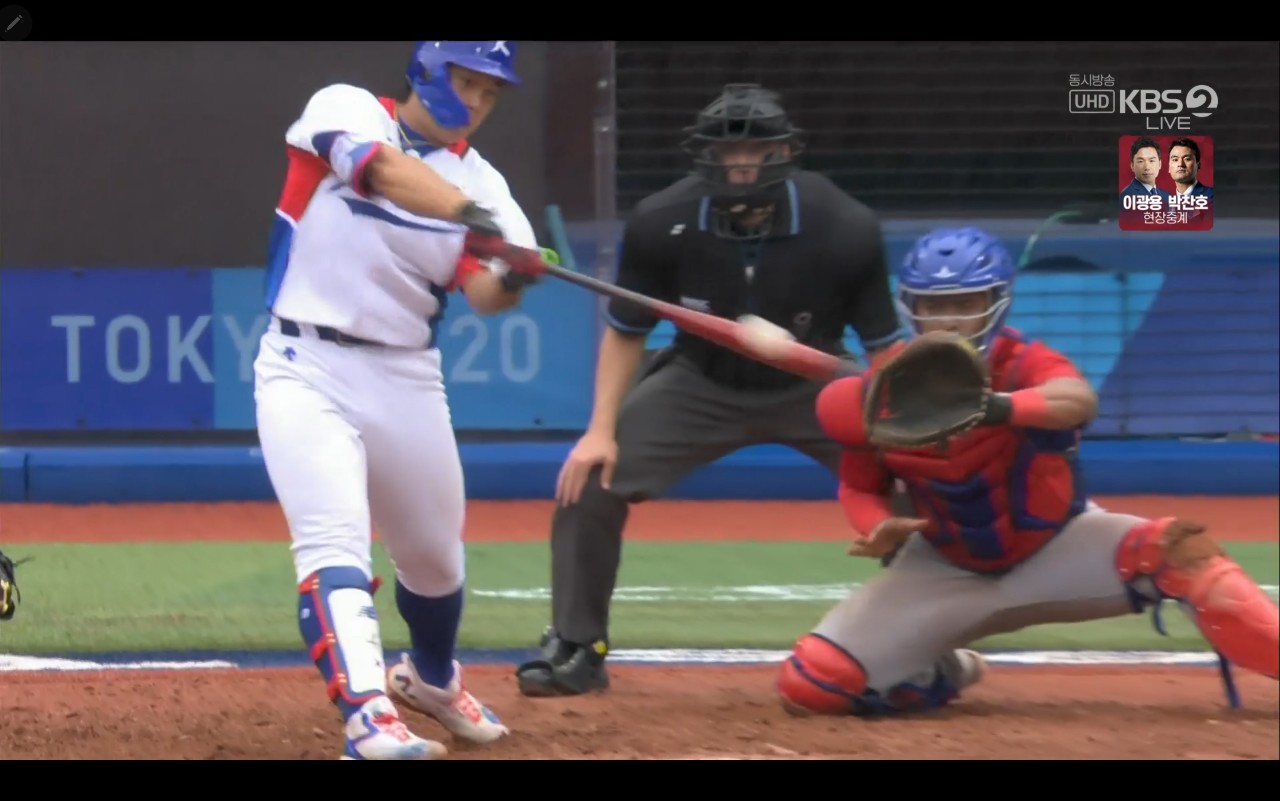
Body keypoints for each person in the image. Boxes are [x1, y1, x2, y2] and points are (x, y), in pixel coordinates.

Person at [514, 82, 918, 698]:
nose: (742, 164)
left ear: (787, 152)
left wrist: (908, 436)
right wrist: (599, 431)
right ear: (704, 155)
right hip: (700, 379)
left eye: (756, 150)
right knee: (590, 480)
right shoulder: (660, 221)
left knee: (916, 480)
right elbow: (626, 333)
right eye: (729, 152)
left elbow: (885, 350)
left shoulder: (844, 226)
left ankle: (918, 650)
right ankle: (578, 645)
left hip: (816, 384)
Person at [775, 226, 1279, 717]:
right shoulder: (877, 394)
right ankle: (941, 670)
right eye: (934, 305)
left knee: (1185, 553)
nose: (948, 320)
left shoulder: (1025, 362)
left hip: (1060, 548)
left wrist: (994, 406)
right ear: (912, 308)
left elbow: (1076, 401)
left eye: (965, 303)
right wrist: (877, 524)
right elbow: (859, 485)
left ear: (996, 302)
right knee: (813, 683)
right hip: (943, 566)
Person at [253, 40, 543, 760]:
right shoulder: (347, 108)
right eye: (466, 81)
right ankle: (366, 717)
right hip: (303, 361)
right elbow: (379, 170)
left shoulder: (488, 186)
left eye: (490, 92)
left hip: (406, 375)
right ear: (427, 71)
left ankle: (432, 680)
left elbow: (484, 295)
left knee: (436, 562)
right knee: (333, 541)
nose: (476, 101)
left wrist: (515, 273)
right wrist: (474, 218)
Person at [1120, 137, 1173, 201]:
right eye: (1141, 161)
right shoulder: (1126, 197)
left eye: (1151, 160)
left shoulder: (1167, 196)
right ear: (1132, 166)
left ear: (1160, 164)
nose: (1147, 167)